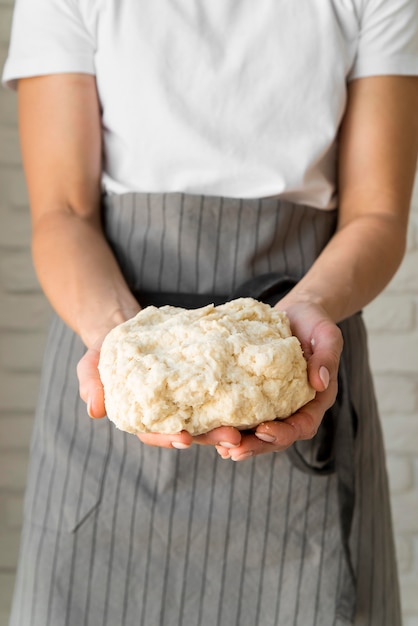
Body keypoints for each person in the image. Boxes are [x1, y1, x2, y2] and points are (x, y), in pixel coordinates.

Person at [2, 0, 418, 624]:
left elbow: (377, 215)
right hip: (110, 380)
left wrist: (308, 307)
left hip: (299, 373)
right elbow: (64, 212)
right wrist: (116, 341)